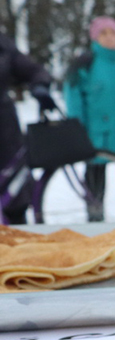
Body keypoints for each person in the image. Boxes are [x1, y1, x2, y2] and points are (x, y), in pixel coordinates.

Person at [65, 16, 115, 220]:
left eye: (113, 33)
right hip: (96, 134)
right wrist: (77, 126)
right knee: (95, 179)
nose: (109, 37)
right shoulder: (84, 64)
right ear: (95, 37)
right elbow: (73, 96)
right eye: (103, 33)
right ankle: (95, 218)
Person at [0, 32, 54, 224]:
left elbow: (29, 68)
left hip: (5, 127)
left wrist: (40, 84)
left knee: (16, 193)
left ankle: (18, 241)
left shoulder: (3, 44)